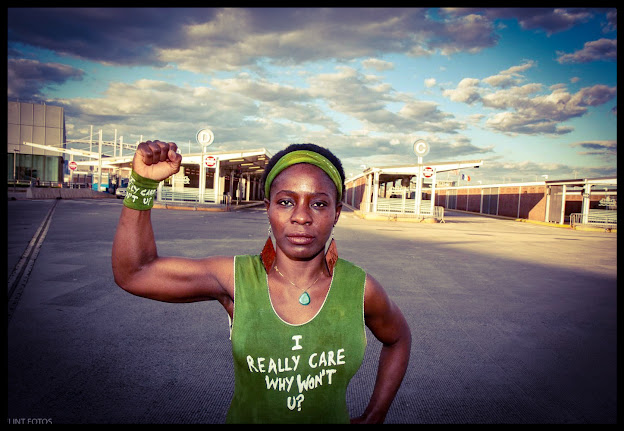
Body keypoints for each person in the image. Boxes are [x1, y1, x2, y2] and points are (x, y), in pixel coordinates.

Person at [112, 140, 411, 424]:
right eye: (285, 202)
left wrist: (376, 415)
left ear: (336, 212)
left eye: (319, 204)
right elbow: (135, 273)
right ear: (268, 208)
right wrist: (142, 184)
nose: (301, 217)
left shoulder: (360, 289)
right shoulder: (235, 278)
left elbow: (398, 339)